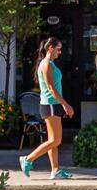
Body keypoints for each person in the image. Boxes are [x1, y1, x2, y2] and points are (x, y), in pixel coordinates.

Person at [20, 37, 74, 180]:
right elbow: (51, 88)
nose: (60, 52)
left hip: (52, 104)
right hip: (50, 104)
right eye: (58, 49)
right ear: (50, 47)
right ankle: (28, 159)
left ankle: (55, 170)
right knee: (55, 140)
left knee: (53, 140)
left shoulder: (50, 63)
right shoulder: (46, 64)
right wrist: (65, 104)